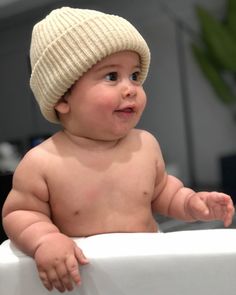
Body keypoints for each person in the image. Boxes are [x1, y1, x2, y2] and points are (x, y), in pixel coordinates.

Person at [2, 6, 235, 293]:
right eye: (112, 76)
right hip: (86, 280)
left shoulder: (145, 145)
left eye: (135, 76)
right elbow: (20, 213)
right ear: (62, 97)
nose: (130, 88)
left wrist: (191, 203)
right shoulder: (43, 162)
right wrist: (45, 240)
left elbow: (163, 192)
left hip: (146, 270)